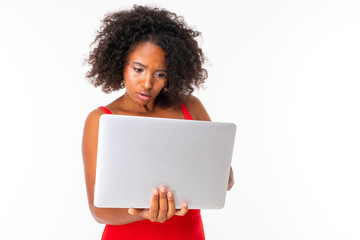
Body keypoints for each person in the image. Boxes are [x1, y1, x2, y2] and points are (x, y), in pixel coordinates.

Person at [82, 5, 234, 240]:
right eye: (138, 69)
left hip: (188, 233)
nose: (147, 83)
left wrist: (214, 171)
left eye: (159, 74)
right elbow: (99, 211)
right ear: (121, 62)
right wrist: (146, 212)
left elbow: (224, 182)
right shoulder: (101, 120)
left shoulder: (190, 107)